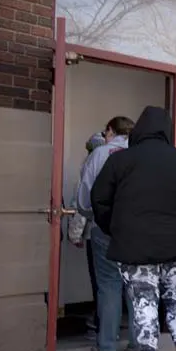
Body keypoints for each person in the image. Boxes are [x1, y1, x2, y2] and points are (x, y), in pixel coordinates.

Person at [91, 106, 176, 351]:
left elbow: (99, 200)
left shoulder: (120, 161)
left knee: (144, 301)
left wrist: (115, 229)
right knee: (175, 296)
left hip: (135, 247)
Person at [76, 116, 138, 351]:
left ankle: (107, 345)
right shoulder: (140, 154)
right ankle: (138, 342)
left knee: (109, 285)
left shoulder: (100, 154)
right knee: (135, 285)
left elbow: (84, 194)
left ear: (111, 131)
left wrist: (89, 214)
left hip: (105, 227)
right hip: (136, 230)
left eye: (106, 131)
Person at [68, 132, 107, 335]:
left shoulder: (89, 168)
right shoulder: (122, 164)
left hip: (96, 233)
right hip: (124, 234)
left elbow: (81, 205)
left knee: (101, 283)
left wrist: (75, 235)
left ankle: (104, 326)